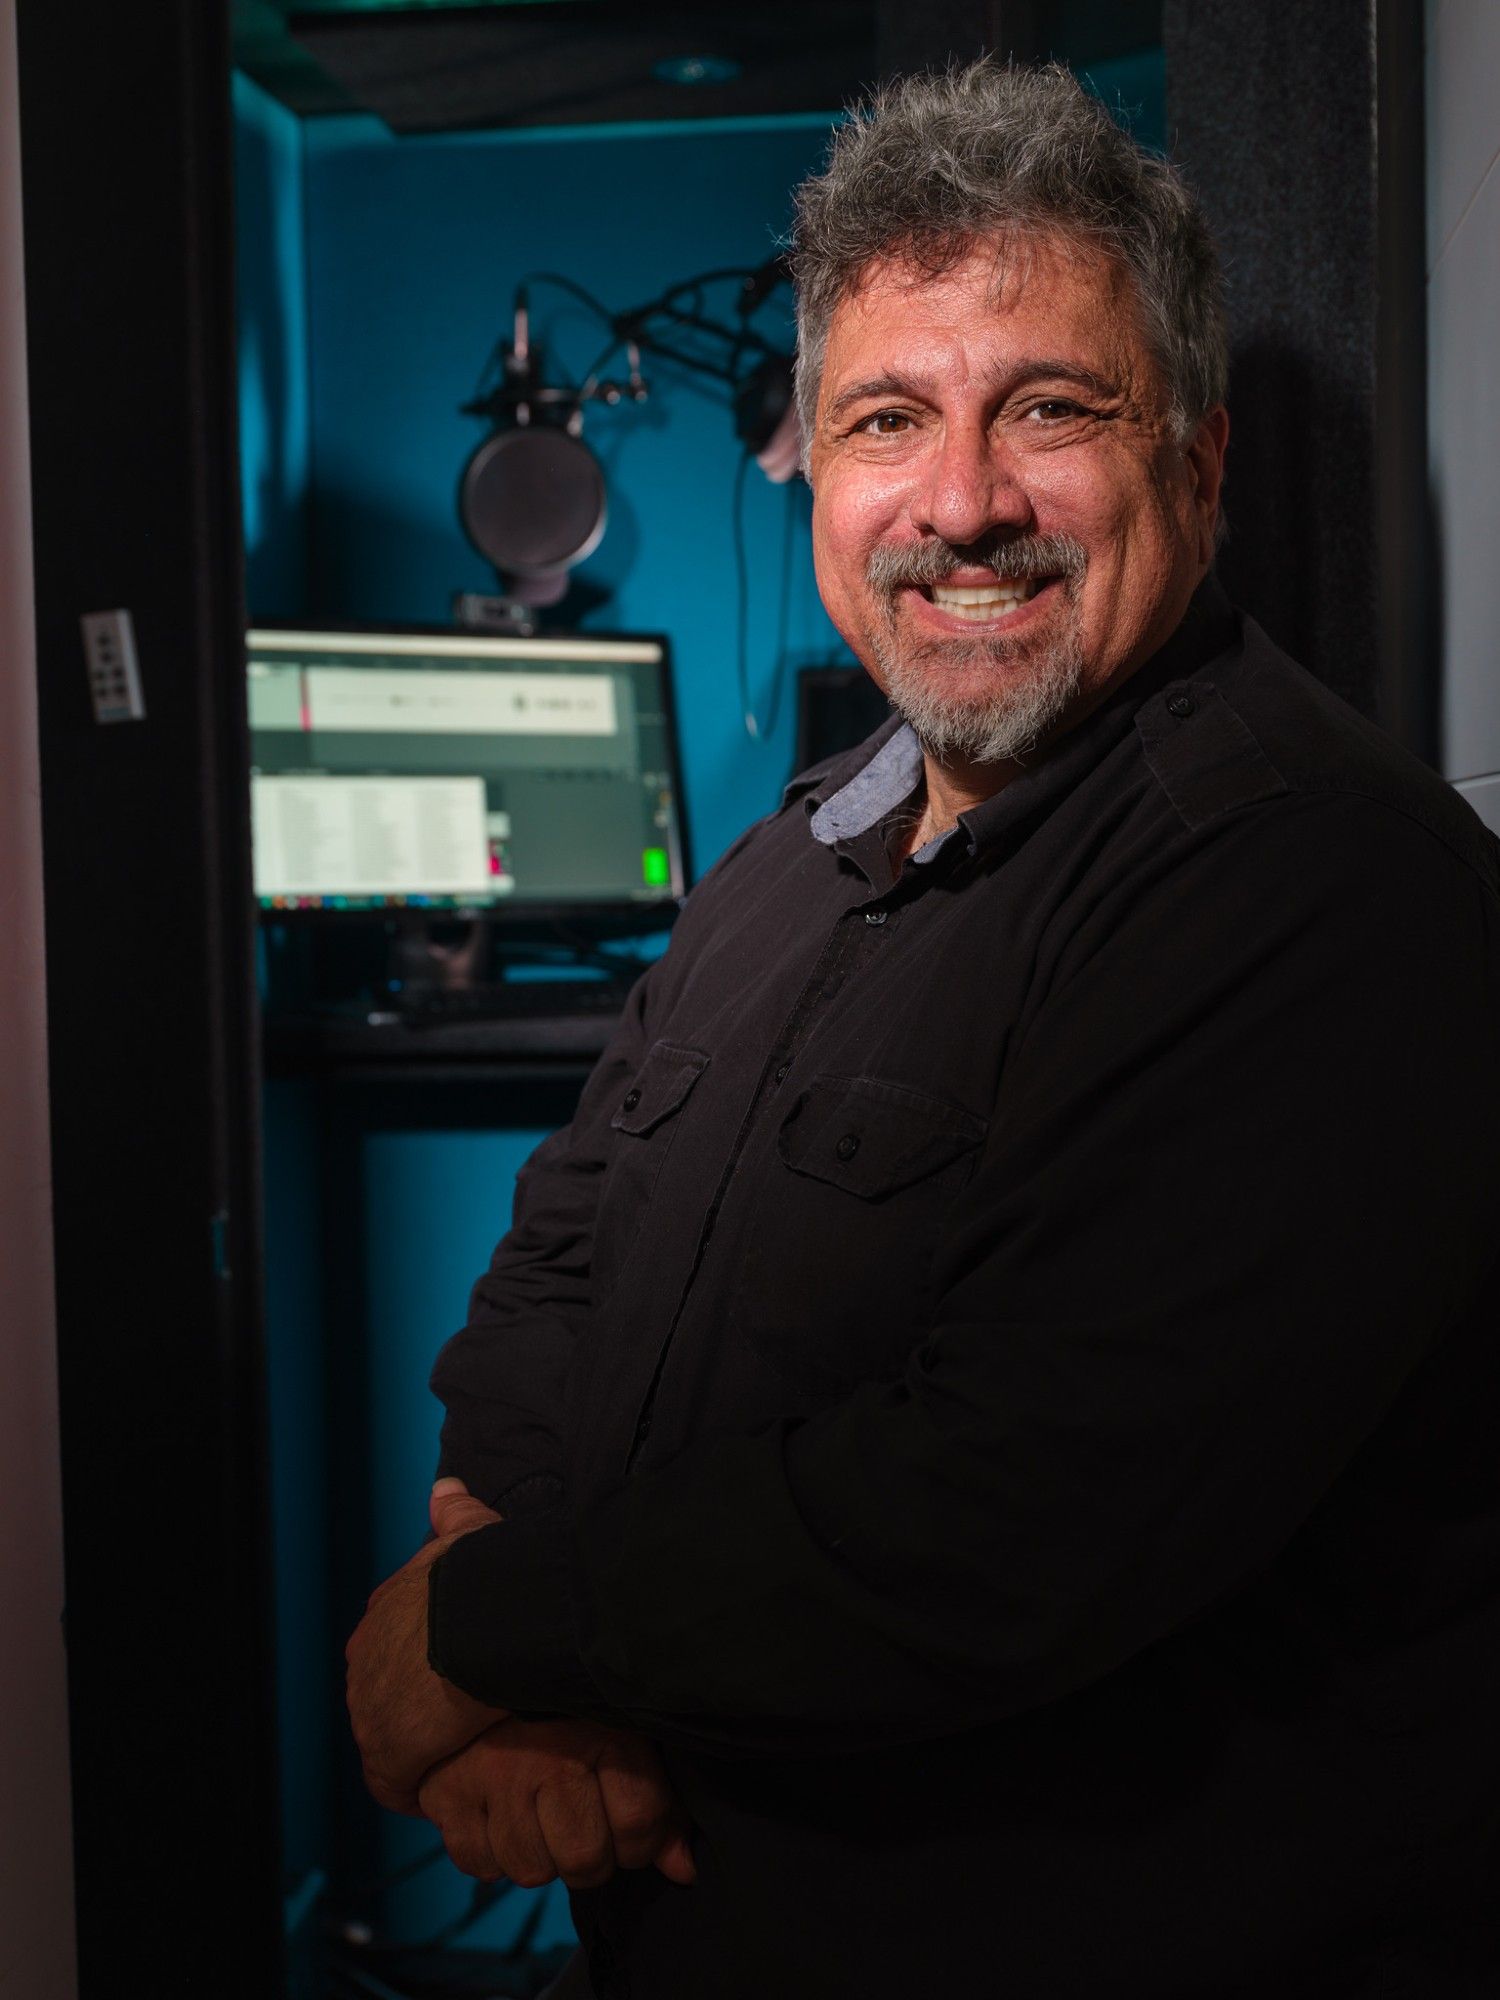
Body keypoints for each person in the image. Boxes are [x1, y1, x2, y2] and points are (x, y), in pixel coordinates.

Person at [346, 60, 1500, 1999]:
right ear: (812, 466)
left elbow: (1000, 1512)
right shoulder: (801, 851)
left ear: (1198, 472)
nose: (960, 503)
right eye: (889, 417)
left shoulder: (1319, 883)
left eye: (1048, 408)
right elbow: (556, 1265)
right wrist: (533, 1690)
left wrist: (475, 1623)